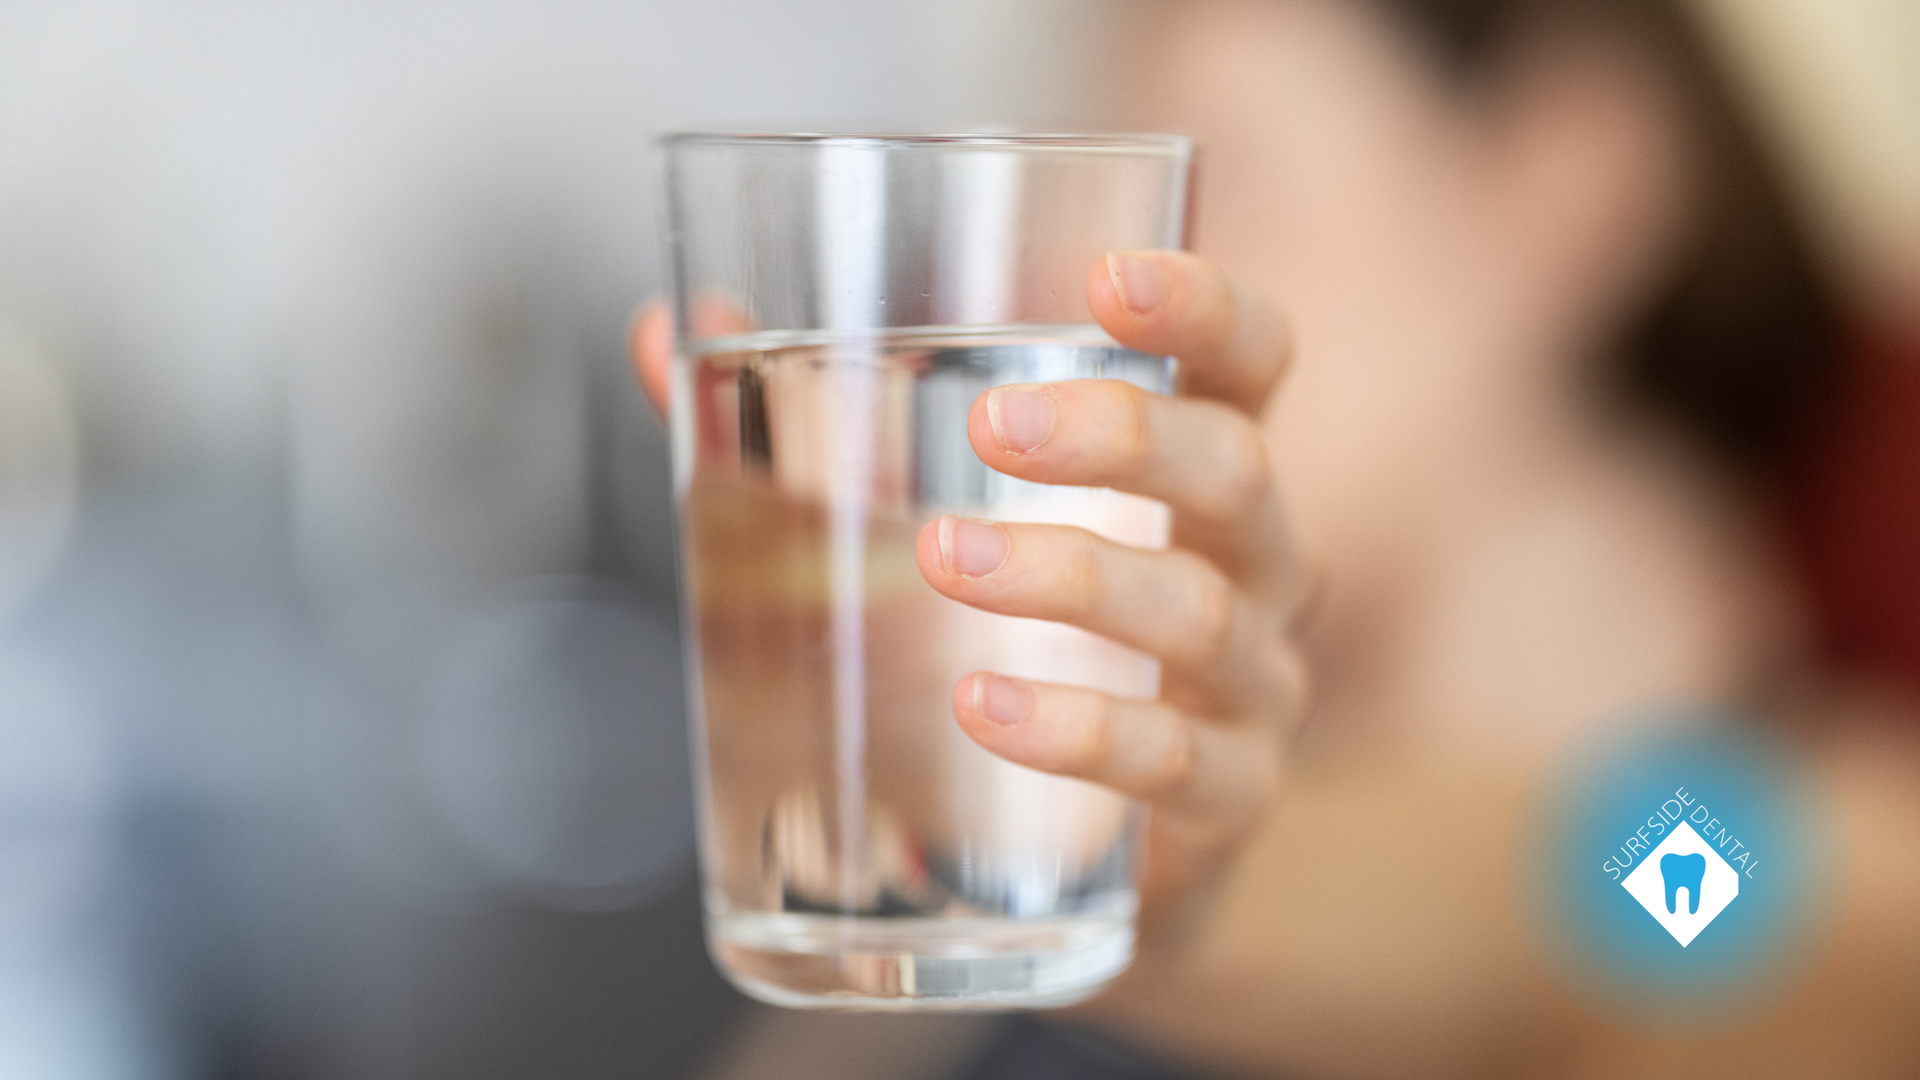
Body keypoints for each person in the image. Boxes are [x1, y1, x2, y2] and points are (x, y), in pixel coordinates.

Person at [633, 0, 1920, 1075]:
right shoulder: (1016, 918)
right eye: (1070, 214)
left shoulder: (1782, 841)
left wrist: (1188, 899)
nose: (1083, 295)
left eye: (1222, 178)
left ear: (1569, 171)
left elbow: (1647, 909)